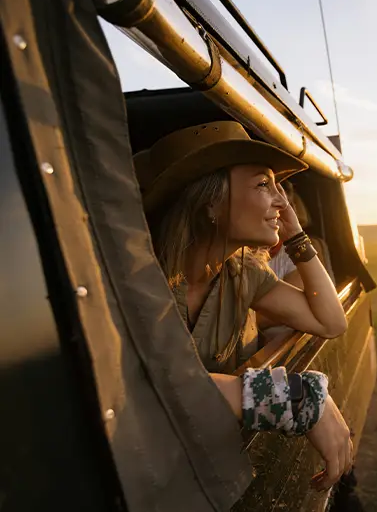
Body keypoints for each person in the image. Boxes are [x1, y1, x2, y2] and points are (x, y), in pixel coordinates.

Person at [134, 121, 351, 491]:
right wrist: (294, 397)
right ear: (211, 205)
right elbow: (146, 388)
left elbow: (331, 322)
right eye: (264, 185)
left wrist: (296, 236)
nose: (282, 201)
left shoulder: (243, 274)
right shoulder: (140, 280)